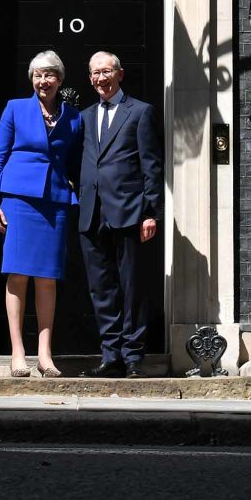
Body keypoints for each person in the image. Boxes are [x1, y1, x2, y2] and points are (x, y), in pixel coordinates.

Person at [0, 51, 84, 378]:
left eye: (50, 75)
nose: (44, 81)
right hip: (18, 199)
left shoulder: (73, 117)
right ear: (32, 78)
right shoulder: (15, 108)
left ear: (60, 79)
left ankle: (44, 355)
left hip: (54, 200)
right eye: (38, 75)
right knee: (18, 274)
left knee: (47, 277)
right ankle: (17, 353)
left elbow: (77, 161)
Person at [76, 51, 163, 379]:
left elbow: (151, 165)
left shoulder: (140, 112)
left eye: (107, 71)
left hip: (130, 212)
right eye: (95, 73)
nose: (101, 78)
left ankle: (133, 357)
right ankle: (110, 354)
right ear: (90, 78)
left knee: (132, 288)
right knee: (101, 289)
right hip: (92, 213)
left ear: (120, 74)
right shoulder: (84, 117)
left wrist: (151, 212)